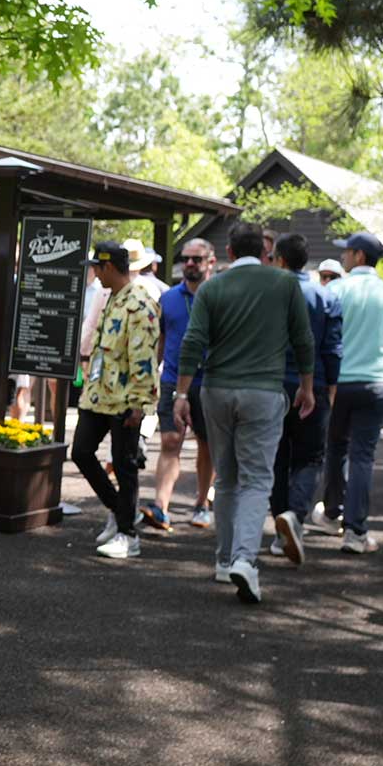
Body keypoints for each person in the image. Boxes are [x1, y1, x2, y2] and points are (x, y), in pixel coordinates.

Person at [173, 223, 316, 604]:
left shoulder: (212, 287)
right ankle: (244, 558)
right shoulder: (285, 284)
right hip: (264, 391)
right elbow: (303, 339)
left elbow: (193, 341)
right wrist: (307, 386)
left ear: (230, 252)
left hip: (215, 389)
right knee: (257, 479)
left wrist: (181, 393)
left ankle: (224, 558)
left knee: (228, 475)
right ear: (265, 253)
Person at [71, 242, 162, 559]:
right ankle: (119, 509)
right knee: (81, 451)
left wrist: (139, 403)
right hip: (98, 395)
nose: (94, 274)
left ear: (109, 267)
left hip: (126, 399)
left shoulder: (139, 302)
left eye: (97, 267)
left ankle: (128, 534)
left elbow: (144, 358)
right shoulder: (112, 297)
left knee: (125, 466)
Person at [317, 232, 383, 553]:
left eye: (348, 252)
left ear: (359, 256)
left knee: (335, 448)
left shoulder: (337, 289)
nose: (343, 258)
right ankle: (356, 531)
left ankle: (331, 512)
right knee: (363, 455)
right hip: (375, 381)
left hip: (338, 383)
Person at [269, 234, 342, 566]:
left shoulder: (268, 292)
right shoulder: (323, 295)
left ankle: (282, 529)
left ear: (280, 258)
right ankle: (296, 516)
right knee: (310, 457)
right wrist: (331, 386)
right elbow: (332, 347)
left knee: (277, 456)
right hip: (312, 383)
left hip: (270, 383)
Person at [142, 239, 216, 531]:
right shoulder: (169, 297)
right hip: (172, 379)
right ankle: (161, 506)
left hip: (209, 381)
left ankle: (201, 503)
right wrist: (152, 375)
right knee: (170, 441)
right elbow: (161, 340)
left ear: (210, 261)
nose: (189, 264)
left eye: (196, 259)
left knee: (206, 445)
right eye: (185, 258)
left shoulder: (218, 296)